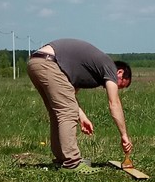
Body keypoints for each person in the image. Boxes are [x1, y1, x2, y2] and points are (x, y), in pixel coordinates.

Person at [26, 38, 132, 170]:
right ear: (120, 73)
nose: (117, 88)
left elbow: (70, 96)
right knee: (66, 113)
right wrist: (124, 135)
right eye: (120, 85)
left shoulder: (91, 68)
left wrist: (82, 117)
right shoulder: (109, 66)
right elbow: (114, 103)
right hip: (50, 63)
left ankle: (62, 160)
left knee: (57, 113)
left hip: (36, 61)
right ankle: (73, 162)